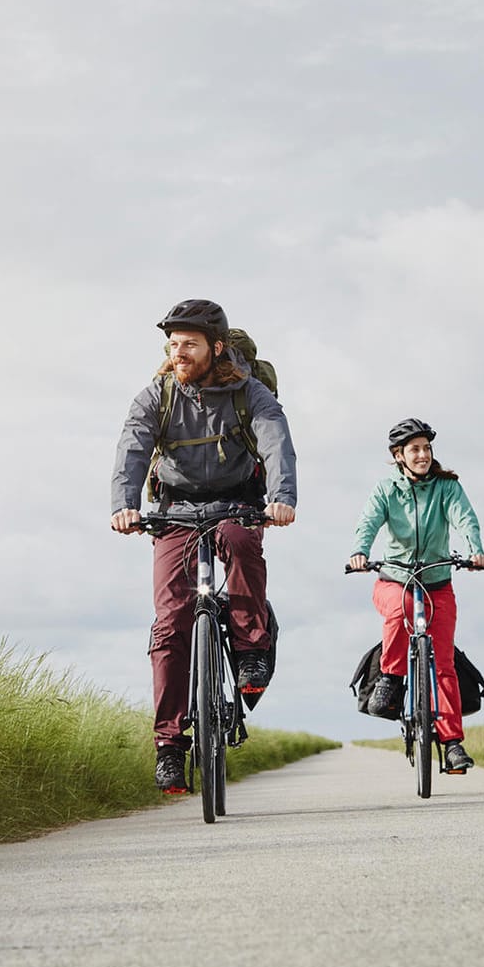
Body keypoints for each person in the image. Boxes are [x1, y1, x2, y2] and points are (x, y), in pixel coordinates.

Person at [111, 300, 297, 793]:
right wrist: (124, 505)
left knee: (240, 544)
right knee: (171, 620)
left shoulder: (247, 391)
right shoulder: (158, 395)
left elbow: (275, 439)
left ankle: (251, 649)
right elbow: (132, 446)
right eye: (172, 345)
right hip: (174, 510)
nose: (178, 353)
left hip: (237, 503)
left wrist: (280, 498)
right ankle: (170, 746)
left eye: (189, 344)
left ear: (216, 347)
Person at [347, 418, 484, 774]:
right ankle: (391, 678)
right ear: (399, 456)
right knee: (400, 610)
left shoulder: (447, 487)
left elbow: (465, 519)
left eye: (427, 448)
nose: (423, 455)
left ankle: (453, 743)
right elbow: (368, 522)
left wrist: (475, 551)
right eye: (415, 449)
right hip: (394, 580)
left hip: (438, 582)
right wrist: (359, 552)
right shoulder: (385, 490)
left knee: (443, 664)